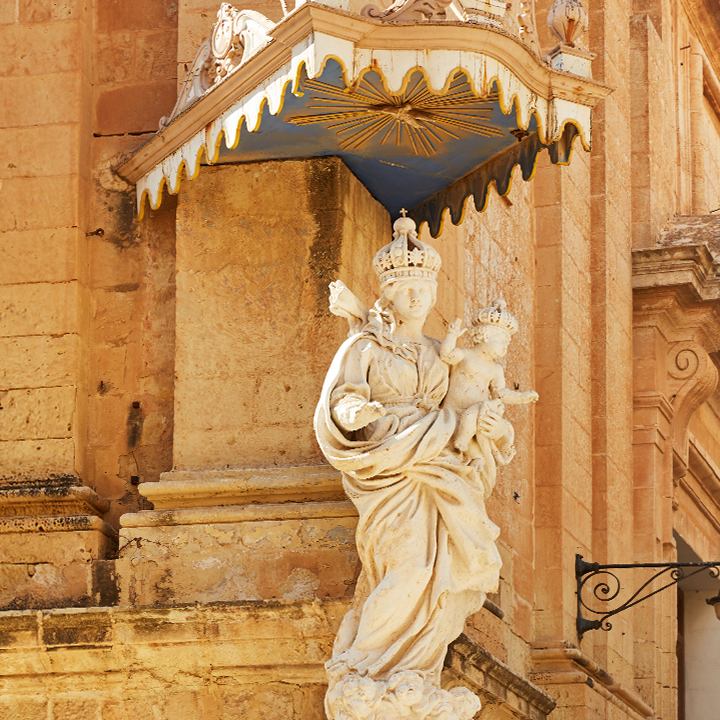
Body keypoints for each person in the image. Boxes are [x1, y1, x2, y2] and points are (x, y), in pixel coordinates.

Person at [314, 216, 518, 720]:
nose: (418, 298)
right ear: (390, 293)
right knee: (406, 566)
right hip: (390, 464)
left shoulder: (438, 352)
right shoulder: (364, 345)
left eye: (424, 290)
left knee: (435, 570)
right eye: (408, 290)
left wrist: (492, 428)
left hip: (441, 462)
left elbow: (466, 405)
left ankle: (414, 667)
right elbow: (343, 397)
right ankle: (366, 663)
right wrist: (355, 413)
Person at [439, 300, 538, 495]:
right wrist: (451, 335)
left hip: (475, 411)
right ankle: (462, 443)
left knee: (475, 433)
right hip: (452, 409)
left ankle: (475, 457)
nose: (505, 347)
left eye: (507, 343)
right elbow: (447, 355)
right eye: (501, 341)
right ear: (484, 335)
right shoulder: (466, 356)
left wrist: (522, 397)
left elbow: (501, 393)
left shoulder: (495, 370)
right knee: (464, 425)